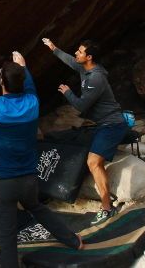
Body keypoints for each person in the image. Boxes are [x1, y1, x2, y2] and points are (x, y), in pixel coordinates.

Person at [0, 52, 84, 268]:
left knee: (6, 235)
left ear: (1, 81)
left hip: (2, 184)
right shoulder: (33, 103)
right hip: (28, 179)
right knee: (38, 208)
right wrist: (24, 66)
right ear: (21, 81)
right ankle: (73, 241)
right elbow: (30, 85)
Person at [42, 37, 128, 225]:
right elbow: (70, 61)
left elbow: (81, 105)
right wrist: (53, 48)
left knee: (93, 162)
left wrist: (67, 92)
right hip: (102, 124)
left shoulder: (96, 78)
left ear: (88, 57)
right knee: (81, 150)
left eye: (80, 52)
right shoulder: (85, 67)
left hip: (111, 125)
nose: (76, 54)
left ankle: (107, 208)